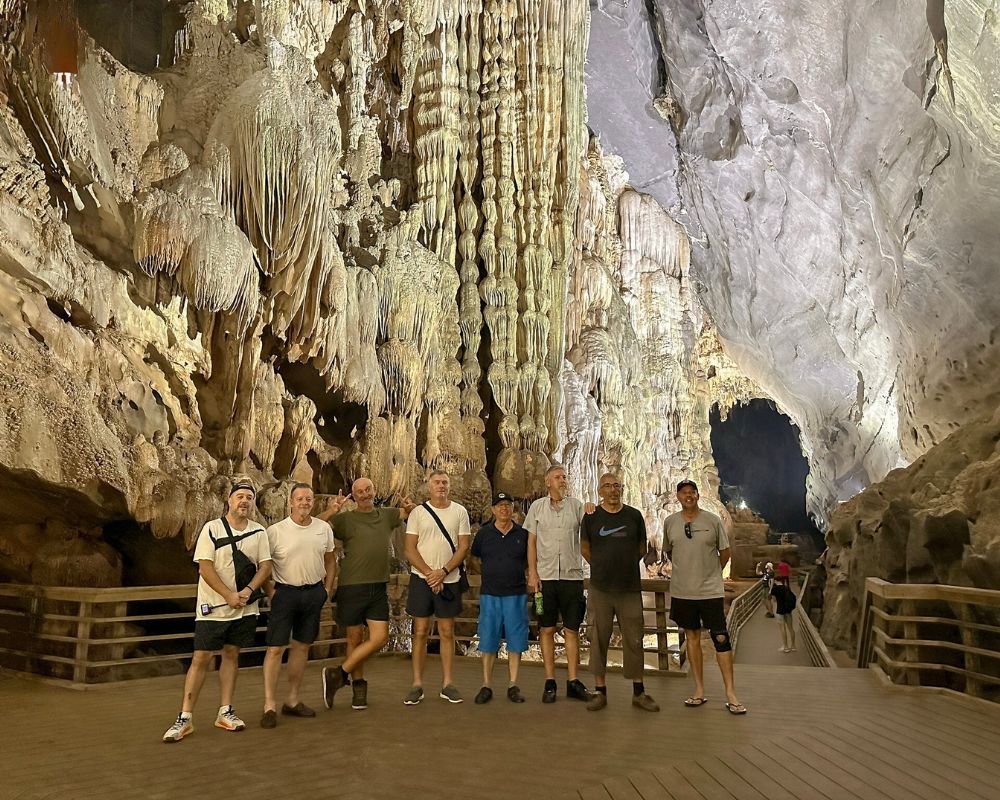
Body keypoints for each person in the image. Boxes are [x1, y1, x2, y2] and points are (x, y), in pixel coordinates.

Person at [162, 481, 272, 742]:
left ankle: (226, 711)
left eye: (248, 497)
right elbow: (205, 568)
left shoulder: (259, 532)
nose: (243, 501)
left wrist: (246, 591)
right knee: (201, 657)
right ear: (229, 499)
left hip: (245, 607)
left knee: (232, 655)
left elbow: (265, 566)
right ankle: (185, 717)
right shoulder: (211, 529)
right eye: (239, 496)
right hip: (213, 607)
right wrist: (228, 595)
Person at [318, 478, 414, 710]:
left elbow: (411, 514)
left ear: (374, 490)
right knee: (354, 639)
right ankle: (358, 688)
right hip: (352, 585)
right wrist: (332, 510)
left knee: (380, 637)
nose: (364, 494)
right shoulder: (345, 520)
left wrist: (411, 508)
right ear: (354, 495)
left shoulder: (387, 515)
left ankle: (339, 674)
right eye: (359, 492)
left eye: (367, 489)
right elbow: (313, 525)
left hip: (378, 586)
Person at [663, 479, 747, 715]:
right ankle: (699, 690)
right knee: (691, 638)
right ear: (678, 497)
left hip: (709, 591)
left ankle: (731, 693)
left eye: (692, 492)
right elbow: (669, 551)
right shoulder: (670, 523)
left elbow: (725, 552)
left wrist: (711, 573)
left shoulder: (712, 521)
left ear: (697, 495)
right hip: (683, 591)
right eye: (684, 493)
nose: (688, 496)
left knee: (721, 639)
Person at [259, 483, 336, 728]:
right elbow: (264, 564)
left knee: (302, 647)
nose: (304, 502)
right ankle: (269, 704)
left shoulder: (323, 528)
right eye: (300, 498)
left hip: (313, 592)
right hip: (285, 593)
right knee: (275, 649)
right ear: (291, 502)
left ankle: (292, 700)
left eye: (308, 499)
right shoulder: (276, 531)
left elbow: (330, 560)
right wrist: (271, 592)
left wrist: (327, 589)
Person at [581, 473, 659, 712]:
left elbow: (641, 548)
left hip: (629, 587)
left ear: (621, 489)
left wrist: (622, 565)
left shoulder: (634, 515)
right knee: (598, 638)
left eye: (616, 486)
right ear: (600, 491)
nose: (613, 490)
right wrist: (604, 566)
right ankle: (599, 691)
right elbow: (585, 549)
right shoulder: (591, 517)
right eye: (607, 486)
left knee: (634, 638)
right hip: (600, 588)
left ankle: (639, 691)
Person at [402, 469, 471, 704]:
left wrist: (442, 572)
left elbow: (463, 547)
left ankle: (448, 683)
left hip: (449, 579)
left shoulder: (459, 511)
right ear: (429, 487)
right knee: (420, 632)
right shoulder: (418, 513)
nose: (441, 486)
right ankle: (417, 684)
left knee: (446, 632)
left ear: (449, 487)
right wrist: (430, 574)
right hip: (422, 579)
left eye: (444, 482)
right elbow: (409, 549)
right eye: (437, 482)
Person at [526, 464, 594, 703]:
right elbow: (531, 543)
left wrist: (591, 510)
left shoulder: (577, 507)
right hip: (545, 579)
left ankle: (573, 681)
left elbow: (589, 534)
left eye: (564, 477)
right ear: (547, 482)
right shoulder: (536, 508)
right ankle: (550, 680)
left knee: (572, 629)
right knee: (546, 628)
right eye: (557, 477)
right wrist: (532, 573)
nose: (562, 480)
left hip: (571, 576)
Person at [470, 491, 529, 704]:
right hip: (490, 594)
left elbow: (530, 561)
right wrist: (487, 573)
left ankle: (513, 684)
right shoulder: (484, 534)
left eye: (508, 505)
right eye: (500, 505)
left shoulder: (522, 534)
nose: (504, 508)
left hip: (516, 593)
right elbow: (474, 559)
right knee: (487, 640)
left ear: (512, 509)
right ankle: (486, 685)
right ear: (493, 510)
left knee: (515, 640)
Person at [771, 575, 798, 653]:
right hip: (788, 610)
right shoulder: (786, 588)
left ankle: (785, 647)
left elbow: (774, 600)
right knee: (791, 628)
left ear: (776, 581)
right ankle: (793, 646)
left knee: (783, 628)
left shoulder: (774, 589)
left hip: (780, 610)